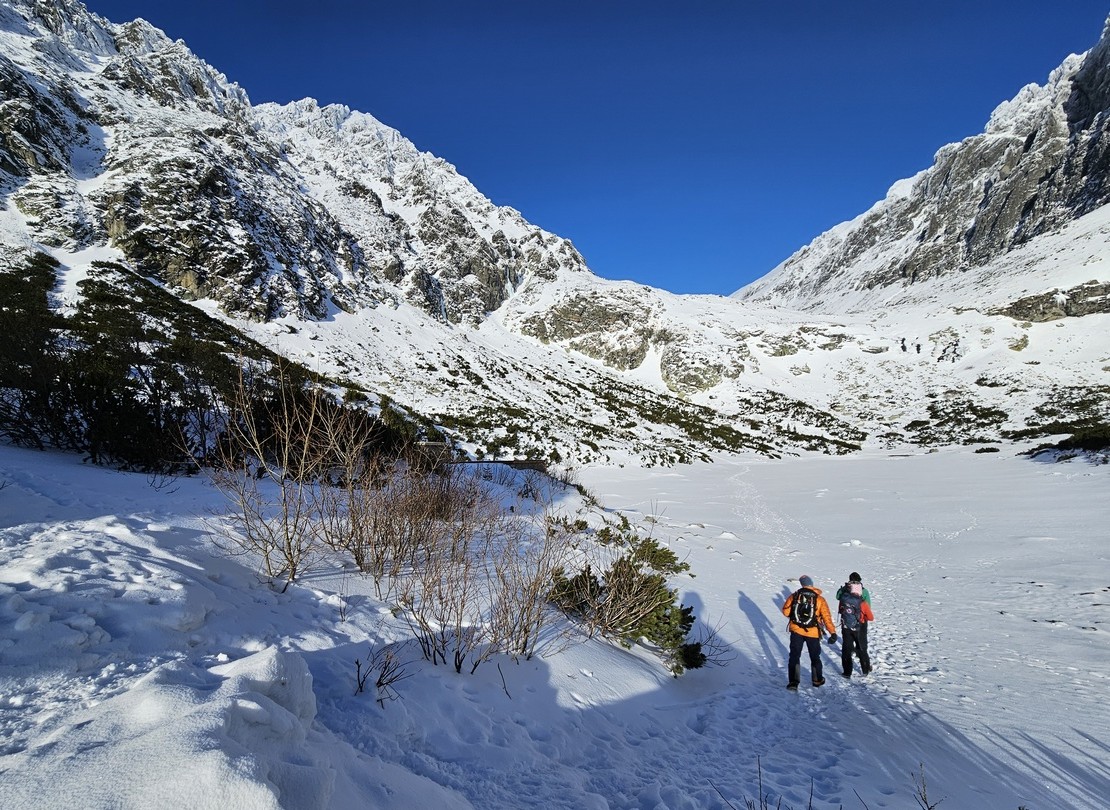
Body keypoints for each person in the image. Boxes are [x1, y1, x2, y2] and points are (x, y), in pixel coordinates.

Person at [782, 574, 837, 690]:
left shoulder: (795, 596)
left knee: (794, 656)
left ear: (802, 584)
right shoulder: (819, 599)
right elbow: (826, 617)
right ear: (812, 584)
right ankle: (817, 680)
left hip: (796, 630)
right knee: (815, 657)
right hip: (813, 632)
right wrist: (832, 632)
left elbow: (786, 612)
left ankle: (793, 682)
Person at [836, 572, 874, 677]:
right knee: (862, 646)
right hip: (861, 623)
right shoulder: (864, 591)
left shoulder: (844, 593)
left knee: (846, 647)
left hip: (846, 624)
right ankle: (865, 669)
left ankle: (847, 672)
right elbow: (869, 613)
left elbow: (837, 597)